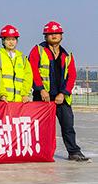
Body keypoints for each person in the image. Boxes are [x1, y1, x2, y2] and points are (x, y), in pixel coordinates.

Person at [29, 21, 90, 162]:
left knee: (68, 126)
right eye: (51, 33)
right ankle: (40, 153)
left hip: (61, 98)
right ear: (45, 36)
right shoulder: (38, 50)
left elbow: (72, 76)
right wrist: (41, 89)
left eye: (57, 33)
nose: (54, 35)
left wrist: (63, 93)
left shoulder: (67, 55)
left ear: (61, 36)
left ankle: (73, 152)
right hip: (43, 97)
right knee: (41, 128)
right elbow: (32, 71)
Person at [0, 25, 32, 103]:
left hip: (20, 101)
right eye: (8, 39)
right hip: (3, 100)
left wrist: (25, 94)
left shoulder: (22, 58)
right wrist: (2, 94)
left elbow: (28, 77)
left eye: (13, 39)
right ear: (3, 41)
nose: (11, 42)